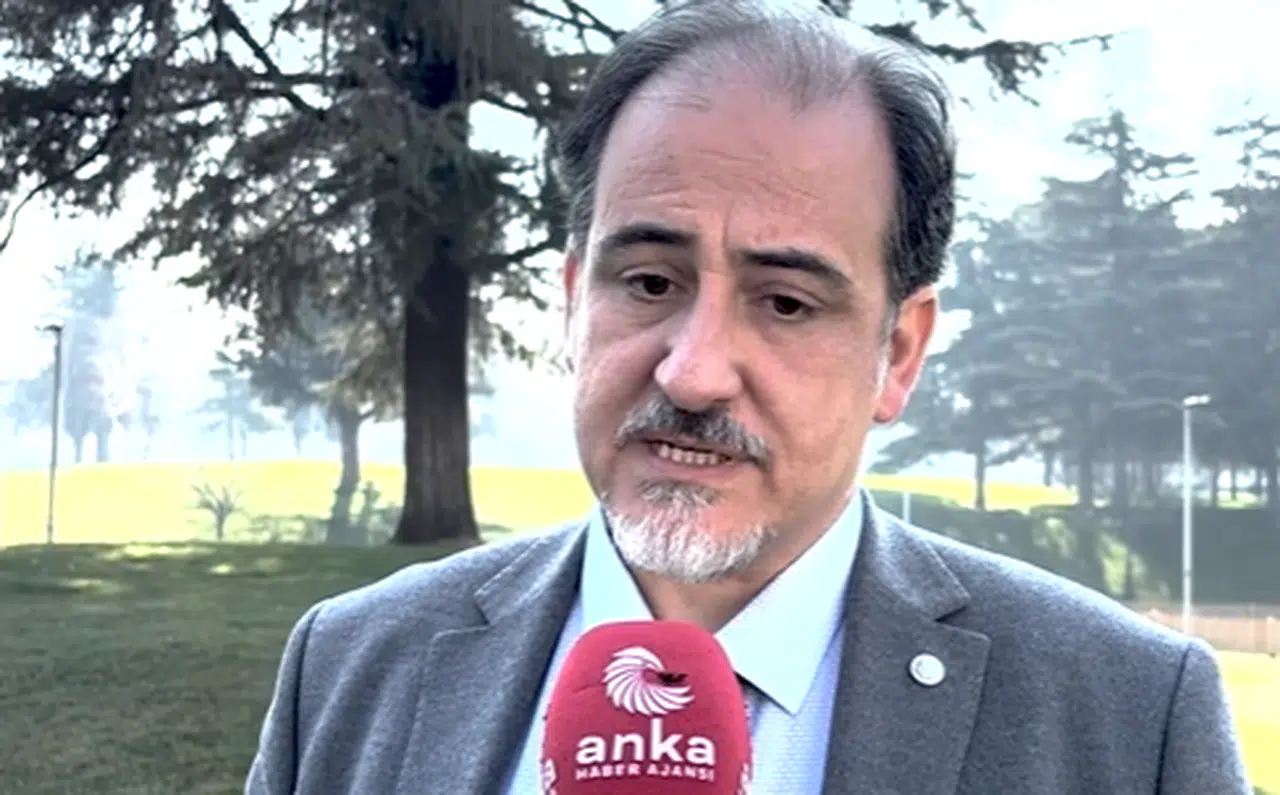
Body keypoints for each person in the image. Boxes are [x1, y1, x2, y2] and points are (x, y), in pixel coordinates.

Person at [245, 2, 1252, 793]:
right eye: (648, 282)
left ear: (898, 352)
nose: (691, 372)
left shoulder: (1128, 719)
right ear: (572, 300)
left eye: (784, 302)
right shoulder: (351, 664)